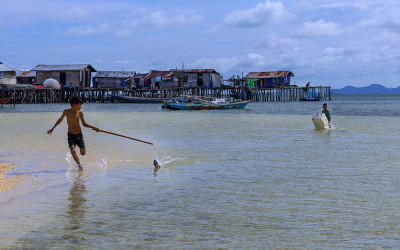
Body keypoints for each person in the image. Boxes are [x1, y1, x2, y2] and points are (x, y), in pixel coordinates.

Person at [47, 96, 99, 171]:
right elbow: (60, 119)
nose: (81, 107)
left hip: (79, 135)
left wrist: (94, 127)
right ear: (74, 105)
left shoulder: (80, 113)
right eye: (79, 105)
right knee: (73, 150)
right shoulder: (66, 111)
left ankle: (80, 160)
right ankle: (79, 165)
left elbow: (84, 124)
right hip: (71, 135)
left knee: (83, 153)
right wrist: (52, 128)